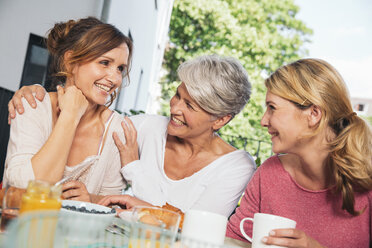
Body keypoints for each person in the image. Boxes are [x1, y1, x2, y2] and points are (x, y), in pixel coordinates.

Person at [7, 55, 256, 218]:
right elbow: (94, 123)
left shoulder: (236, 166)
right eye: (178, 95)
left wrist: (133, 167)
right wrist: (38, 97)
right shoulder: (149, 127)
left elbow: (194, 230)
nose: (175, 108)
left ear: (222, 119)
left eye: (190, 106)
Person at [226, 58, 372, 247]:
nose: (263, 120)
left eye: (272, 108)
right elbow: (233, 240)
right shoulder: (269, 173)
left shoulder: (366, 180)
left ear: (313, 114)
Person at [3, 17, 133, 203]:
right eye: (105, 63)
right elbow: (23, 193)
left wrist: (89, 198)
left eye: (120, 68)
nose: (115, 79)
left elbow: (111, 204)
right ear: (70, 60)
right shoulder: (32, 105)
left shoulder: (117, 130)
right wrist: (71, 115)